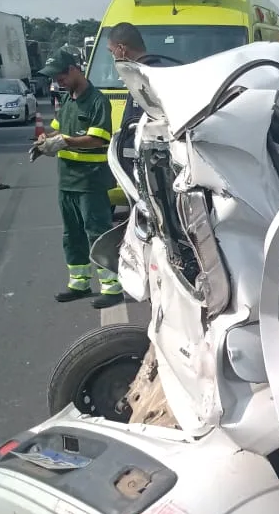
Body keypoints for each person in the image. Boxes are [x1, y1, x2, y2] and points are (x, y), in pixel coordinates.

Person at [33, 47, 123, 309]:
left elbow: (98, 138)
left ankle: (111, 287)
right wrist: (43, 142)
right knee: (72, 234)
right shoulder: (69, 100)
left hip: (91, 182)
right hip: (68, 181)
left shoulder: (97, 101)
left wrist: (64, 141)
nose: (57, 81)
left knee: (97, 232)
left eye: (60, 76)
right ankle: (80, 283)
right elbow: (56, 131)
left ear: (73, 70)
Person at [106, 22, 178, 174]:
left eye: (112, 52)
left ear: (122, 49)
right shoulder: (148, 74)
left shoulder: (146, 78)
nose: (114, 57)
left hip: (152, 170)